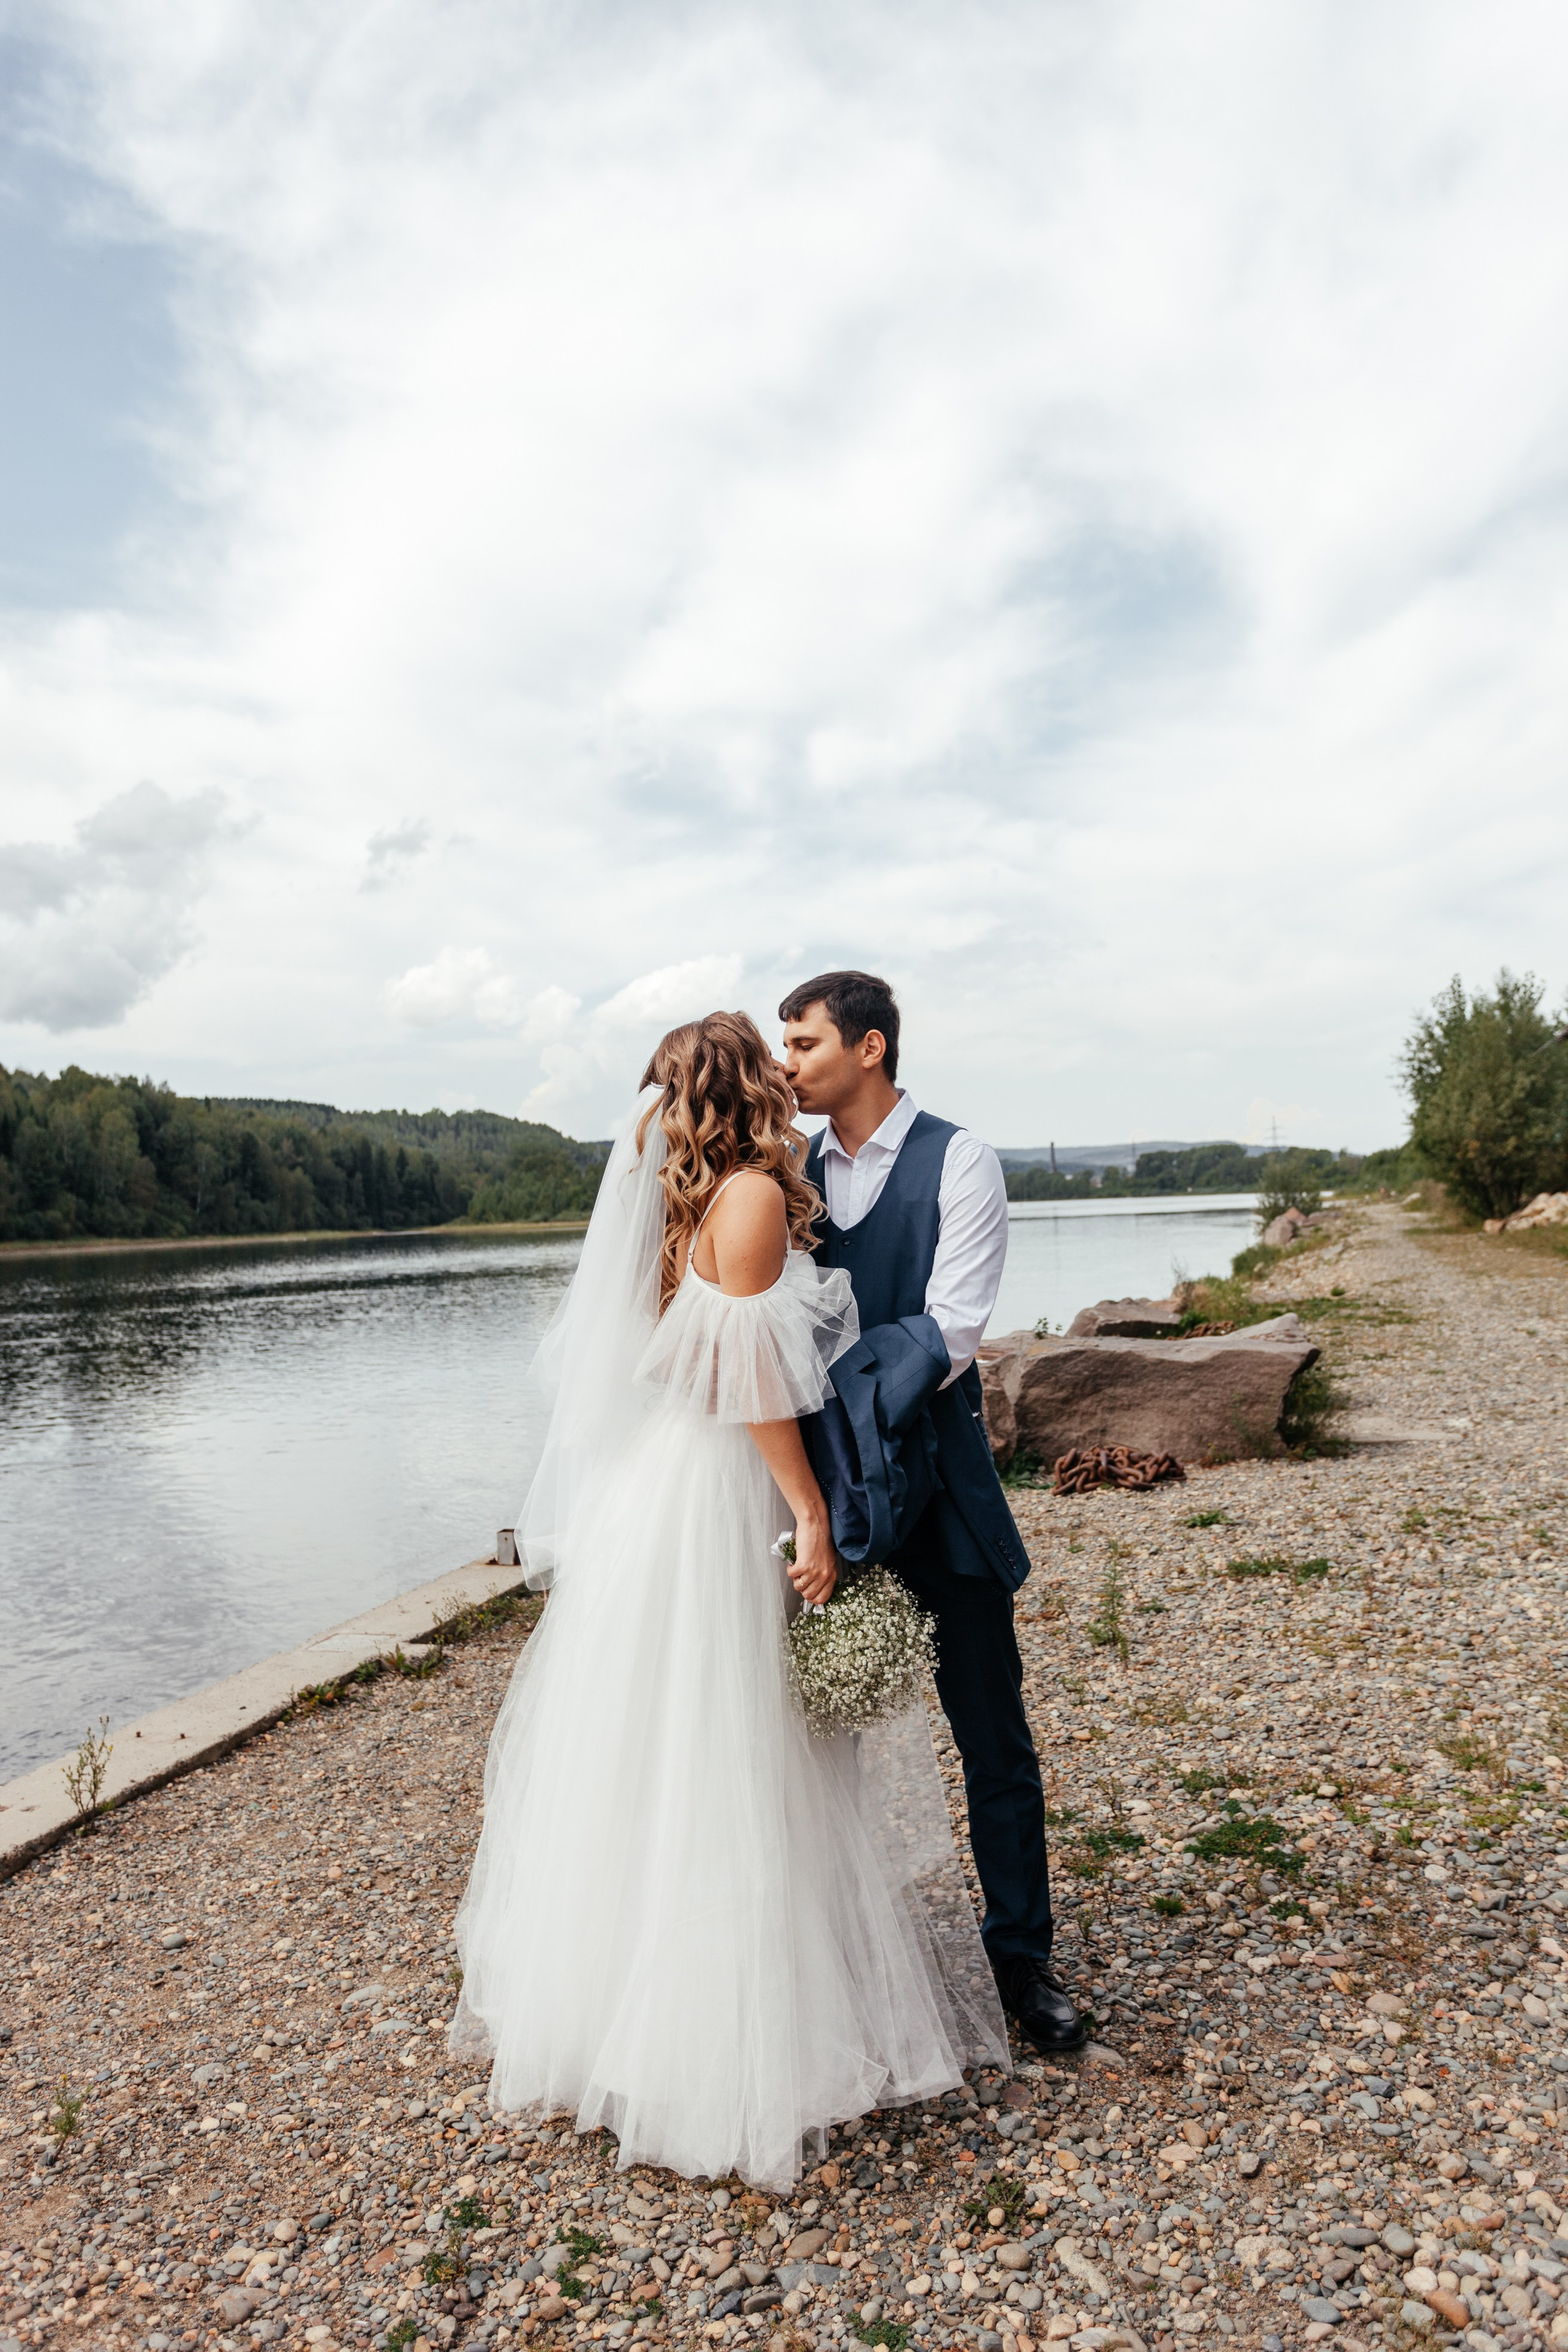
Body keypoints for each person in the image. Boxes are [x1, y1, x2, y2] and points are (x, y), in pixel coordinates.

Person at [449, 1010, 1006, 2192]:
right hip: (721, 1489)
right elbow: (753, 1375)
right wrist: (808, 1512)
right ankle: (726, 2045)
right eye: (775, 1054)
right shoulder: (750, 1196)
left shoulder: (693, 1201)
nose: (790, 1068)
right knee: (731, 1752)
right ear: (748, 1082)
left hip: (673, 1483)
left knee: (680, 1751)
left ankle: (652, 2009)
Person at [780, 970, 1089, 2056]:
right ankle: (832, 1965)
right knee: (817, 1735)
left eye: (805, 1044)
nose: (787, 1065)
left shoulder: (960, 1160)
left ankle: (1021, 1961)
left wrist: (827, 1393)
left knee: (991, 1734)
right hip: (825, 1502)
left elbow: (952, 1333)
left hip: (940, 1490)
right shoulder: (786, 1172)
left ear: (869, 1047)